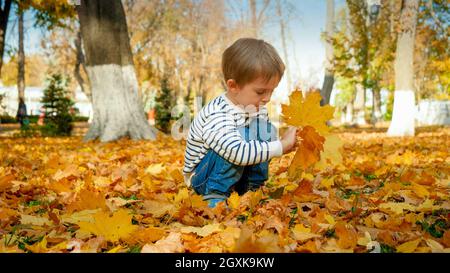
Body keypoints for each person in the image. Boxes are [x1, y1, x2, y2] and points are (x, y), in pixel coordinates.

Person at [182, 38, 299, 208]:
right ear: (233, 86)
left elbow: (261, 146)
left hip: (238, 170)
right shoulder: (217, 113)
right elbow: (236, 151)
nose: (267, 98)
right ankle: (214, 195)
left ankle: (251, 189)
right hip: (204, 179)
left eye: (271, 91)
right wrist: (281, 146)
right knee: (242, 136)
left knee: (264, 129)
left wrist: (286, 140)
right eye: (260, 91)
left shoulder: (257, 108)